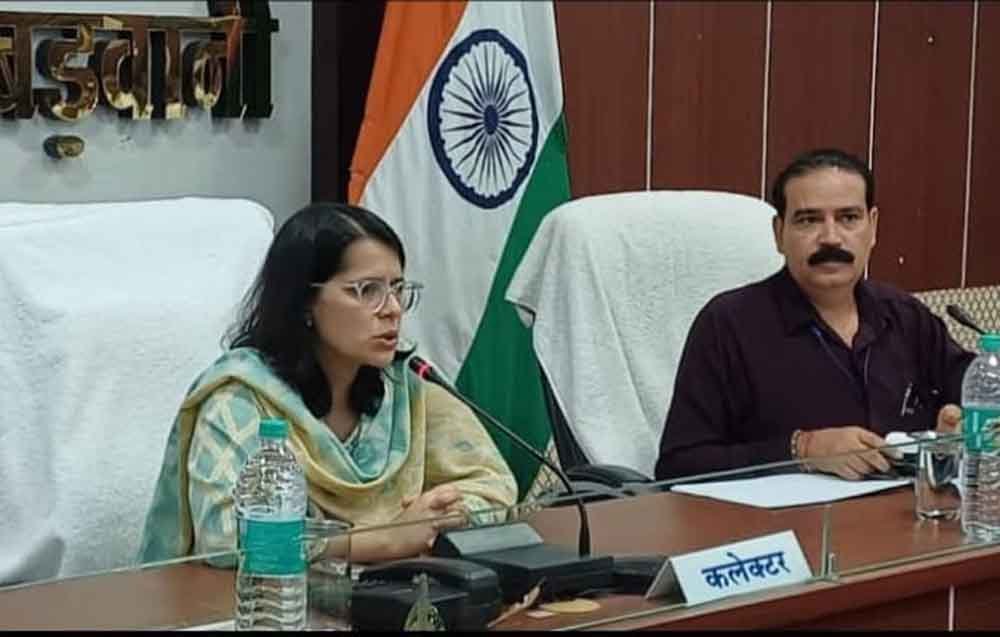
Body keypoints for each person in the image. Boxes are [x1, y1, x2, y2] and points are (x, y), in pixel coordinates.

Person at [138, 202, 517, 564]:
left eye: (397, 288)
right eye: (367, 290)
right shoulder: (240, 400)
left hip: (389, 592)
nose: (392, 310)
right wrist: (382, 540)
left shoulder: (407, 389)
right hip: (259, 599)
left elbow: (495, 486)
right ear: (305, 301)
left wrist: (441, 518)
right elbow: (225, 537)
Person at [655, 148, 973, 481]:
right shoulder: (728, 325)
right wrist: (803, 450)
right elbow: (678, 467)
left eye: (849, 218)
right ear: (779, 233)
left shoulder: (905, 316)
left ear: (873, 227)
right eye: (809, 220)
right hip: (788, 515)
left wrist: (958, 429)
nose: (831, 238)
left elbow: (975, 394)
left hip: (909, 510)